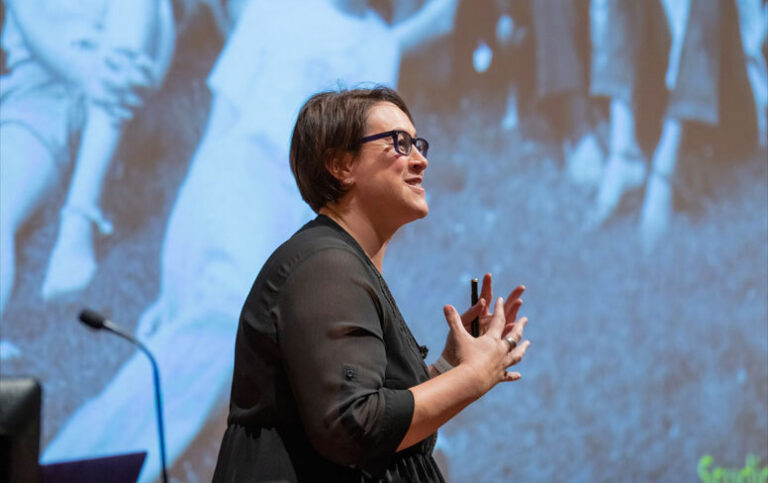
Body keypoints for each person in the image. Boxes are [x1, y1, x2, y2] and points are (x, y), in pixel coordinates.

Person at [211, 86, 531, 482]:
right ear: (341, 165)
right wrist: (473, 377)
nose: (420, 161)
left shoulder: (340, 263)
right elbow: (354, 425)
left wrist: (452, 366)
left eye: (418, 144)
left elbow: (385, 423)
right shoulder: (324, 267)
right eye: (399, 143)